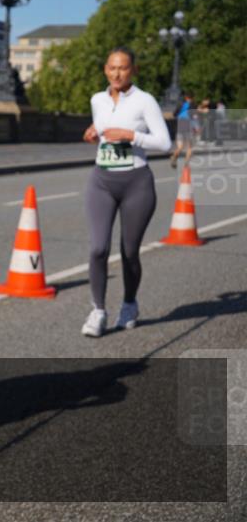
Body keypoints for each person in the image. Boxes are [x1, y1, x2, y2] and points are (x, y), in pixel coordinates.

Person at [80, 47, 171, 338]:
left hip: (136, 183)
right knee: (98, 248)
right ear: (105, 69)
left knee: (129, 252)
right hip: (101, 180)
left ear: (133, 70)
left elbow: (165, 143)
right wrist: (93, 132)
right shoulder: (97, 99)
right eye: (111, 67)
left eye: (122, 68)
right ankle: (98, 310)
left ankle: (129, 303)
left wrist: (132, 135)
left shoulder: (145, 101)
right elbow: (104, 127)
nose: (116, 73)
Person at [169, 92, 195, 168]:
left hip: (179, 126)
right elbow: (194, 117)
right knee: (190, 147)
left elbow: (174, 114)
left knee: (180, 147)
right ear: (189, 98)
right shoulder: (192, 106)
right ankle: (186, 163)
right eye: (191, 99)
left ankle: (173, 156)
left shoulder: (180, 105)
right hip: (187, 126)